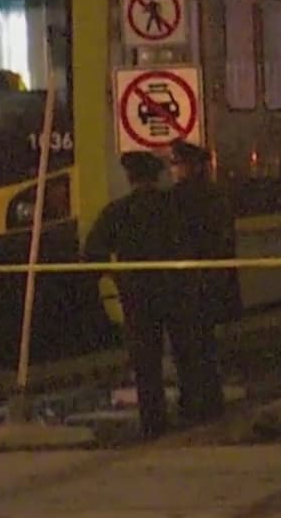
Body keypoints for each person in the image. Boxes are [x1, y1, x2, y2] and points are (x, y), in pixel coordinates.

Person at [83, 151, 195, 438]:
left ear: (130, 178)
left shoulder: (118, 211)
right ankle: (194, 409)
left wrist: (114, 275)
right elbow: (194, 243)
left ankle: (153, 420)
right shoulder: (175, 207)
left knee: (146, 361)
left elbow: (92, 251)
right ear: (156, 176)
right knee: (187, 351)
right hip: (175, 289)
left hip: (137, 293)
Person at [167, 139, 232, 423]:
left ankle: (193, 405)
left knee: (187, 348)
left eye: (176, 164)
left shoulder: (177, 199)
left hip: (185, 284)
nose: (173, 169)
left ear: (188, 167)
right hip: (210, 283)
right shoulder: (215, 196)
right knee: (206, 346)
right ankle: (212, 402)